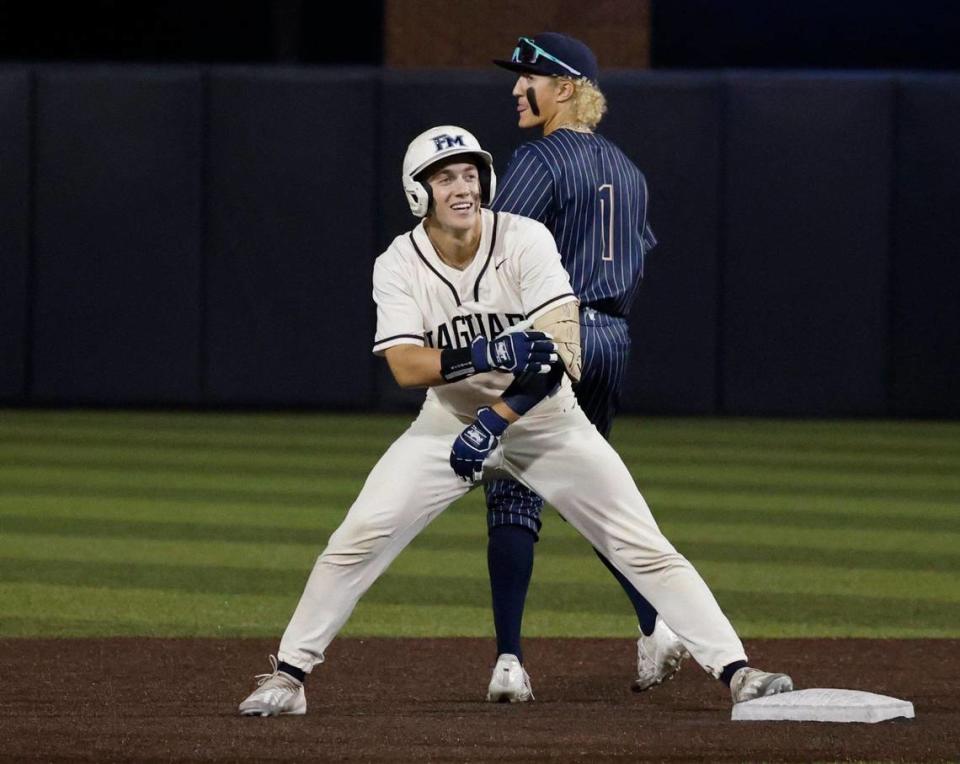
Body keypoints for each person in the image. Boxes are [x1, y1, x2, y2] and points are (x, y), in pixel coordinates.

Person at [237, 125, 793, 717]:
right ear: (418, 192)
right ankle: (290, 677)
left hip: (546, 421)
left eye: (471, 173)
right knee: (356, 539)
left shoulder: (525, 238)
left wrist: (493, 422)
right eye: (445, 177)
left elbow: (556, 355)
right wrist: (484, 357)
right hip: (446, 421)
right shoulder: (399, 261)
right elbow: (404, 365)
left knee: (641, 543)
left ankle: (737, 672)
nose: (462, 187)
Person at [482, 32, 683, 700]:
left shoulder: (538, 160)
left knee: (513, 486)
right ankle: (657, 626)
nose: (516, 88)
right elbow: (638, 259)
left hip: (553, 334)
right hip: (612, 340)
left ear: (565, 88)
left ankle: (509, 663)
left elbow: (496, 258)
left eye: (529, 78)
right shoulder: (630, 171)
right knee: (589, 491)